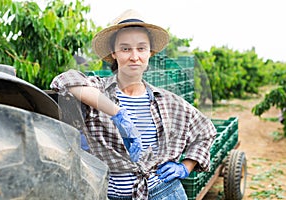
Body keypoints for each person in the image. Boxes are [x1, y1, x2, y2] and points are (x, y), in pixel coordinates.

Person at [50, 9, 217, 200]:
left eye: (141, 48)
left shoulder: (168, 101)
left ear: (150, 53)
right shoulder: (98, 90)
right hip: (108, 195)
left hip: (163, 193)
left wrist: (185, 166)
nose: (134, 56)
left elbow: (206, 130)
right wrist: (117, 113)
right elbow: (64, 80)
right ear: (114, 53)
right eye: (125, 48)